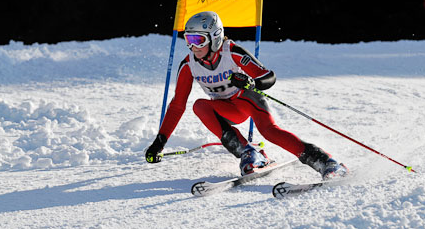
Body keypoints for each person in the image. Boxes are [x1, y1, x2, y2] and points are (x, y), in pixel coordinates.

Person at [145, 11, 347, 179]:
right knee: (200, 106)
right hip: (226, 109)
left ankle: (326, 162)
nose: (193, 47)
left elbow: (268, 76)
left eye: (198, 40)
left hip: (248, 101)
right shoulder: (189, 65)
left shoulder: (231, 52)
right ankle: (250, 153)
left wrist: (251, 82)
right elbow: (178, 105)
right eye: (189, 40)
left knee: (270, 132)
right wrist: (159, 142)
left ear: (214, 37)